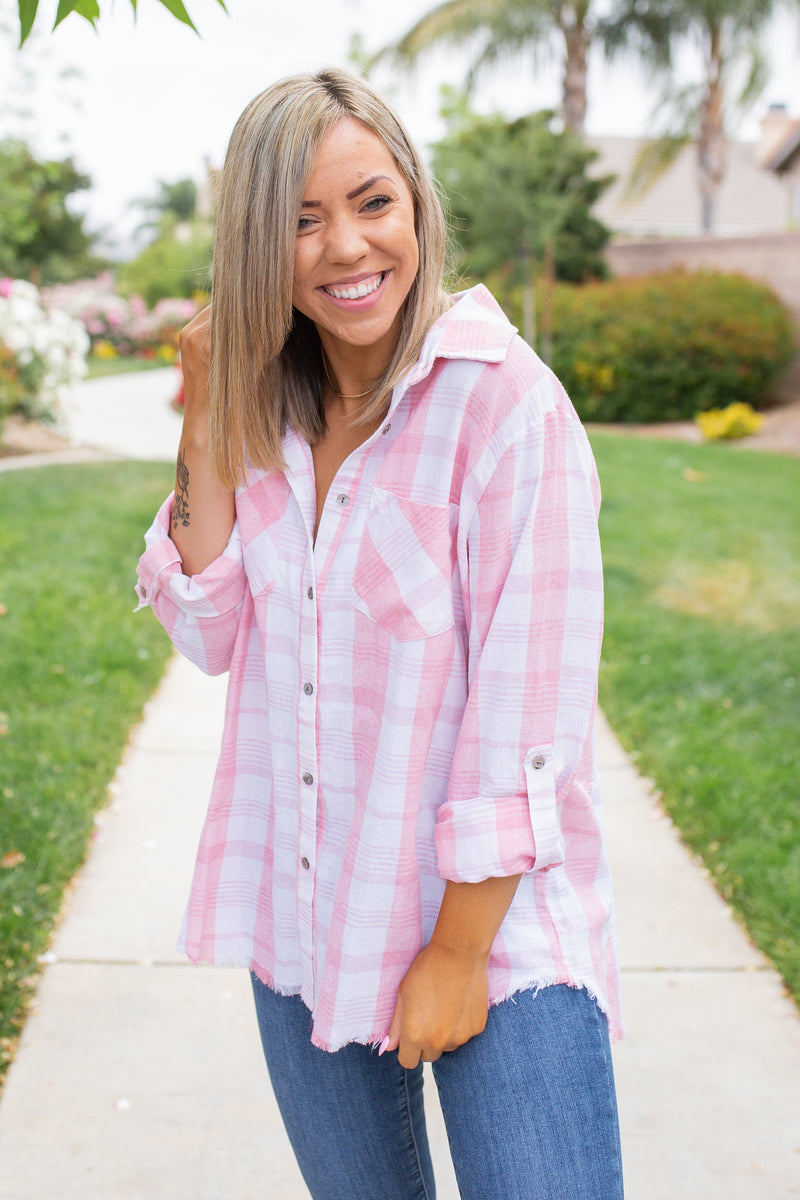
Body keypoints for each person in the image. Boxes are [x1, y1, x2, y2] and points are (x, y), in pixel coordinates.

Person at [136, 67, 624, 1200]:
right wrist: (209, 413)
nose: (346, 247)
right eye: (299, 220)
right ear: (258, 243)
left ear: (416, 206)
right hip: (308, 915)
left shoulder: (504, 407)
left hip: (495, 945)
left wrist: (455, 957)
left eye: (371, 202)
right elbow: (208, 630)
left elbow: (525, 719)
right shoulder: (269, 415)